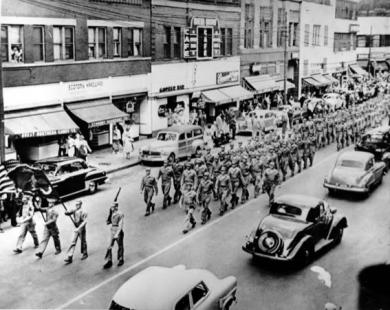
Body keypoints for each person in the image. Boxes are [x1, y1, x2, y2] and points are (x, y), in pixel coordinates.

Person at [103, 202, 124, 268]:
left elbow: (121, 225)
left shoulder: (120, 214)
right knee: (109, 246)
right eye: (111, 207)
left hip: (118, 230)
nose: (111, 208)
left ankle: (120, 259)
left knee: (120, 245)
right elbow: (107, 222)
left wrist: (117, 234)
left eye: (112, 207)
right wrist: (109, 214)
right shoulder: (112, 213)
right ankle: (109, 261)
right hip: (112, 230)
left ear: (116, 207)